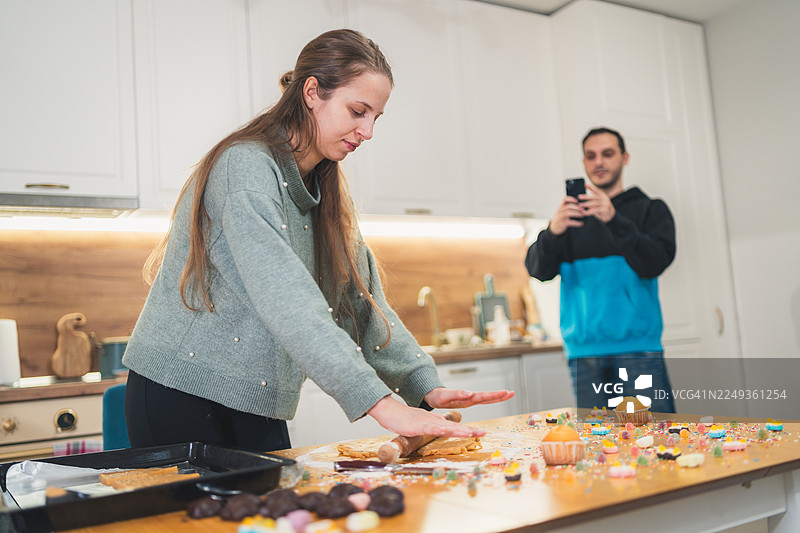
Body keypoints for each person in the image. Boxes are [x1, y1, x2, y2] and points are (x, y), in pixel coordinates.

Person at [122, 29, 514, 453]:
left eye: (375, 118)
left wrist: (423, 386)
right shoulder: (246, 168)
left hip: (257, 400)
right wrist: (380, 403)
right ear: (312, 92)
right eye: (357, 111)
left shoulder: (326, 192)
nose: (367, 131)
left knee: (270, 520)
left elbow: (362, 305)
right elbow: (286, 298)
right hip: (178, 393)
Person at [525, 127, 676, 413]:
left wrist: (614, 219)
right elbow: (538, 270)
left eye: (608, 154)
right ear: (584, 163)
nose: (599, 162)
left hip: (637, 351)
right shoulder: (568, 219)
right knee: (599, 450)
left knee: (655, 443)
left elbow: (654, 262)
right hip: (584, 355)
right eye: (591, 156)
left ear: (625, 158)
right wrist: (552, 232)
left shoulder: (649, 210)